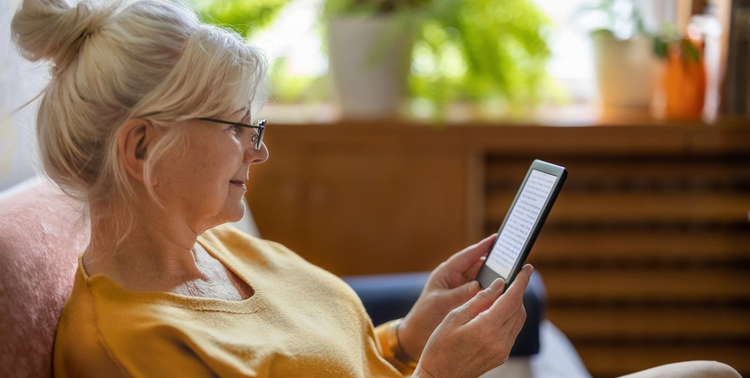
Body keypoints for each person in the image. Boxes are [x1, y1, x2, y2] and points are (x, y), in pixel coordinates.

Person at [9, 0, 741, 377]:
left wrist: (411, 332)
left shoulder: (225, 247)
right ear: (142, 146)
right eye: (235, 126)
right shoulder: (131, 347)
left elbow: (330, 360)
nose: (258, 149)